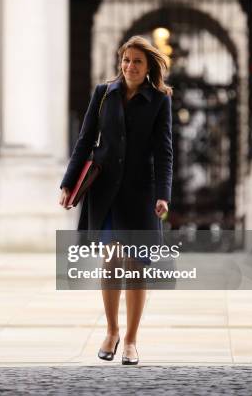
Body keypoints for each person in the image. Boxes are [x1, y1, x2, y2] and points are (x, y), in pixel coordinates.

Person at [58, 36, 173, 365]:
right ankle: (111, 331)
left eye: (137, 61)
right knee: (111, 263)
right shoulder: (102, 94)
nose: (130, 66)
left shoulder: (159, 100)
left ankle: (132, 341)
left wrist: (164, 194)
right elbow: (84, 141)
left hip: (142, 194)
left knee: (137, 268)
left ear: (148, 66)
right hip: (105, 190)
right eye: (126, 60)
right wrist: (69, 183)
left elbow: (165, 151)